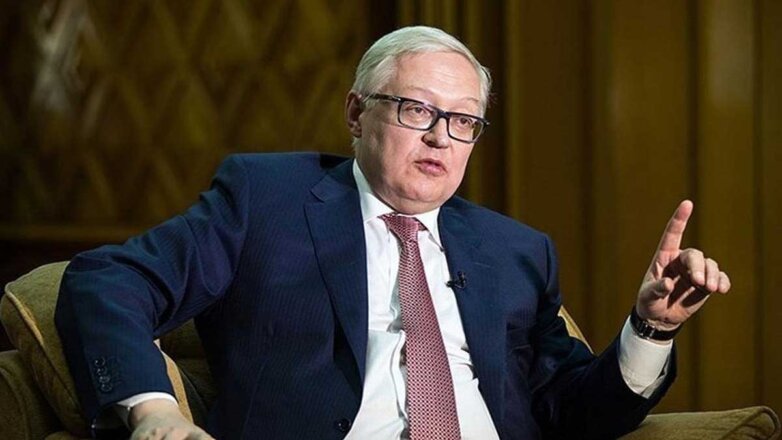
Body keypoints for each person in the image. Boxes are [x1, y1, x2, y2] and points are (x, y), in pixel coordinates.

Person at [55, 26, 730, 440]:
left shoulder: (514, 251)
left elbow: (573, 413)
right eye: (416, 109)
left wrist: (651, 329)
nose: (441, 137)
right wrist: (152, 410)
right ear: (357, 113)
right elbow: (108, 281)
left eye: (463, 121)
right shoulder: (266, 200)